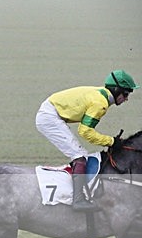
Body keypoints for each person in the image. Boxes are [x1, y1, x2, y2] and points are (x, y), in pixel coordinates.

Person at [35, 69, 137, 212]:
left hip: (52, 112)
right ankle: (78, 201)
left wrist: (111, 141)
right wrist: (111, 142)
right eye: (125, 94)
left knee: (79, 154)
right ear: (116, 90)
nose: (126, 99)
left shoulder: (102, 95)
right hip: (49, 117)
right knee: (79, 156)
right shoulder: (100, 104)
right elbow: (85, 132)